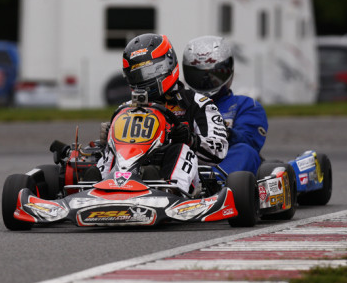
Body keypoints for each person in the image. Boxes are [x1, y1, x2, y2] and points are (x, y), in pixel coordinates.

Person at [97, 33, 228, 194]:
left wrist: (191, 140)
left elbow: (219, 149)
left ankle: (172, 191)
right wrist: (108, 139)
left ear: (168, 64)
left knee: (181, 148)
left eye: (150, 72)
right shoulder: (126, 108)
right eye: (137, 75)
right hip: (131, 170)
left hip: (183, 175)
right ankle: (97, 188)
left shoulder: (197, 103)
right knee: (110, 150)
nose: (144, 79)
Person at [182, 35, 268, 176]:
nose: (206, 81)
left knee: (245, 151)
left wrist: (223, 133)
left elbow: (250, 142)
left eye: (213, 74)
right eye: (198, 74)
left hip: (224, 164)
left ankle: (217, 183)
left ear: (229, 70)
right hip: (186, 162)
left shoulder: (246, 105)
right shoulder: (179, 104)